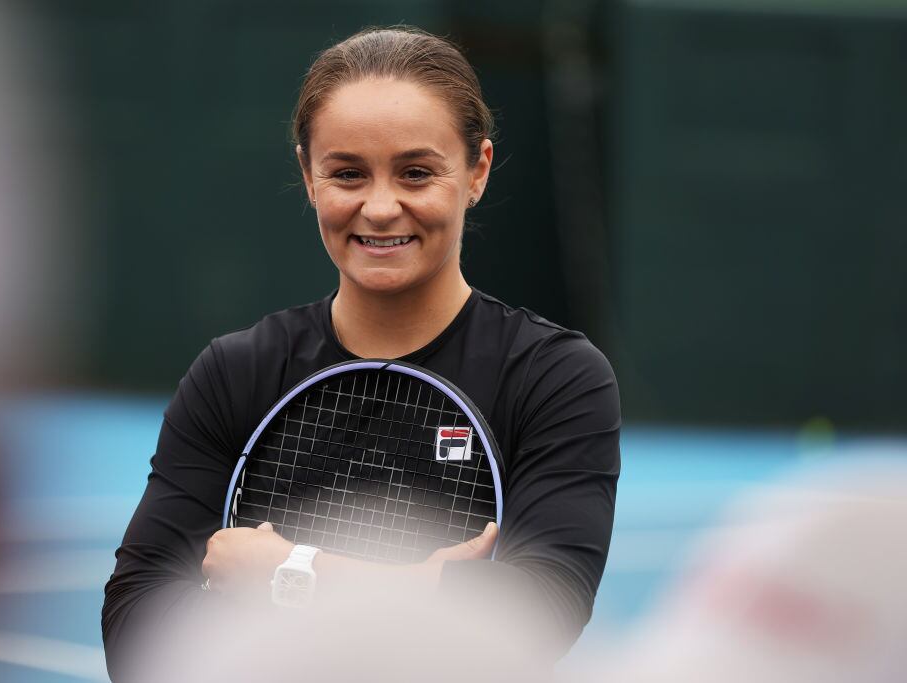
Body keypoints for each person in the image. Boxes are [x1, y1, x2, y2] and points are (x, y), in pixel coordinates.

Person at [102, 26, 620, 681]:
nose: (379, 207)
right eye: (348, 173)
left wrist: (294, 573)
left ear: (477, 171)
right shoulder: (235, 372)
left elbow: (539, 613)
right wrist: (425, 589)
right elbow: (136, 635)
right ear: (308, 175)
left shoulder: (556, 378)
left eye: (416, 172)